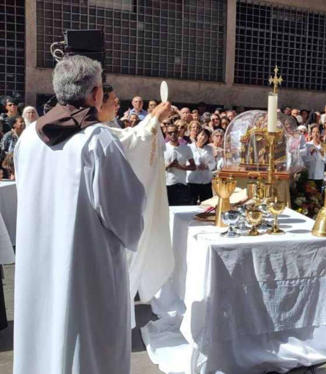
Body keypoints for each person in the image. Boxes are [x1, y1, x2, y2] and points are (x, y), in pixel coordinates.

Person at [13, 55, 146, 374]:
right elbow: (127, 217)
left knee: (42, 341)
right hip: (88, 271)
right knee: (87, 349)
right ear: (96, 94)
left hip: (39, 263)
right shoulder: (97, 141)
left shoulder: (29, 136)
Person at [164, 124, 195, 205]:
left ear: (178, 133)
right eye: (170, 133)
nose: (173, 134)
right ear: (167, 134)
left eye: (175, 132)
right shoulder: (162, 148)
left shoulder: (186, 148)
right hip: (167, 185)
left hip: (182, 185)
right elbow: (156, 168)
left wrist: (180, 167)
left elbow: (193, 166)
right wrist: (169, 165)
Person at [187, 128, 216, 204]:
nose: (203, 138)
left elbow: (213, 163)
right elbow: (185, 162)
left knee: (206, 203)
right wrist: (195, 165)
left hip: (205, 181)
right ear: (197, 136)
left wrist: (207, 166)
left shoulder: (209, 149)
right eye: (202, 135)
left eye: (206, 137)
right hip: (192, 180)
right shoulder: (189, 147)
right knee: (191, 203)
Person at [302, 125, 326, 190]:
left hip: (319, 176)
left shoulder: (324, 146)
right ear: (311, 134)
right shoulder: (307, 145)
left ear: (320, 134)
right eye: (314, 132)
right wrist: (310, 153)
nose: (315, 134)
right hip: (310, 174)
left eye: (317, 132)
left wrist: (321, 152)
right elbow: (304, 161)